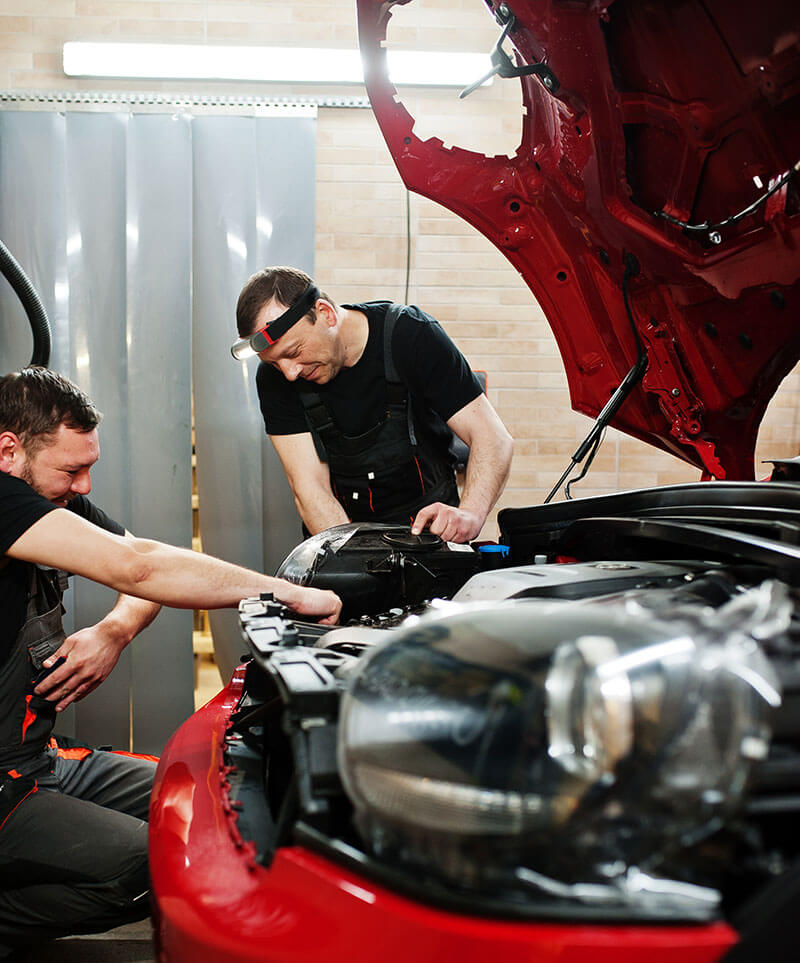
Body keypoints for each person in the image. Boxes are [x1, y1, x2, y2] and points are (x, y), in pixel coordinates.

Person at [0, 367, 340, 959]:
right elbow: (140, 571)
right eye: (71, 471)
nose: (84, 486)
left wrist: (112, 632)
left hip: (38, 760)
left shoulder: (46, 501)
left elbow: (142, 559)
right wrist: (287, 593)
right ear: (8, 451)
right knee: (155, 861)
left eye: (89, 468)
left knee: (210, 795)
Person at [232, 266, 513, 543]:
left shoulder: (411, 335)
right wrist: (352, 558)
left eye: (294, 352)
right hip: (341, 535)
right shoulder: (275, 380)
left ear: (326, 314)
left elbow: (492, 438)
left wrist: (470, 514)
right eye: (274, 363)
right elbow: (309, 488)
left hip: (429, 537)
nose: (290, 373)